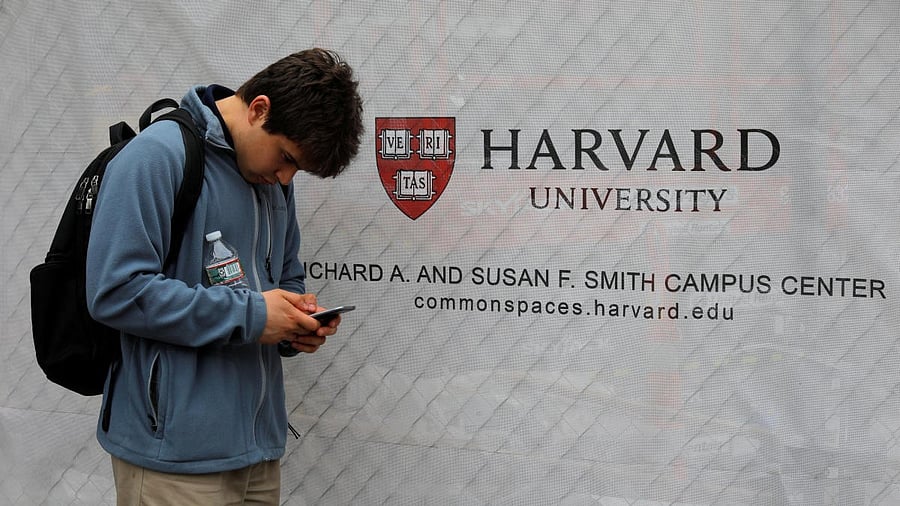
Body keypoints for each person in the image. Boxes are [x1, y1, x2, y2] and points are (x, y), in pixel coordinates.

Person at [85, 48, 364, 504]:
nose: (286, 178)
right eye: (287, 157)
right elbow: (116, 291)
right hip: (173, 458)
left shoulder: (271, 178)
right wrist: (255, 316)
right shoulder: (157, 157)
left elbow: (284, 276)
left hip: (257, 451)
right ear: (259, 109)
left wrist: (293, 323)